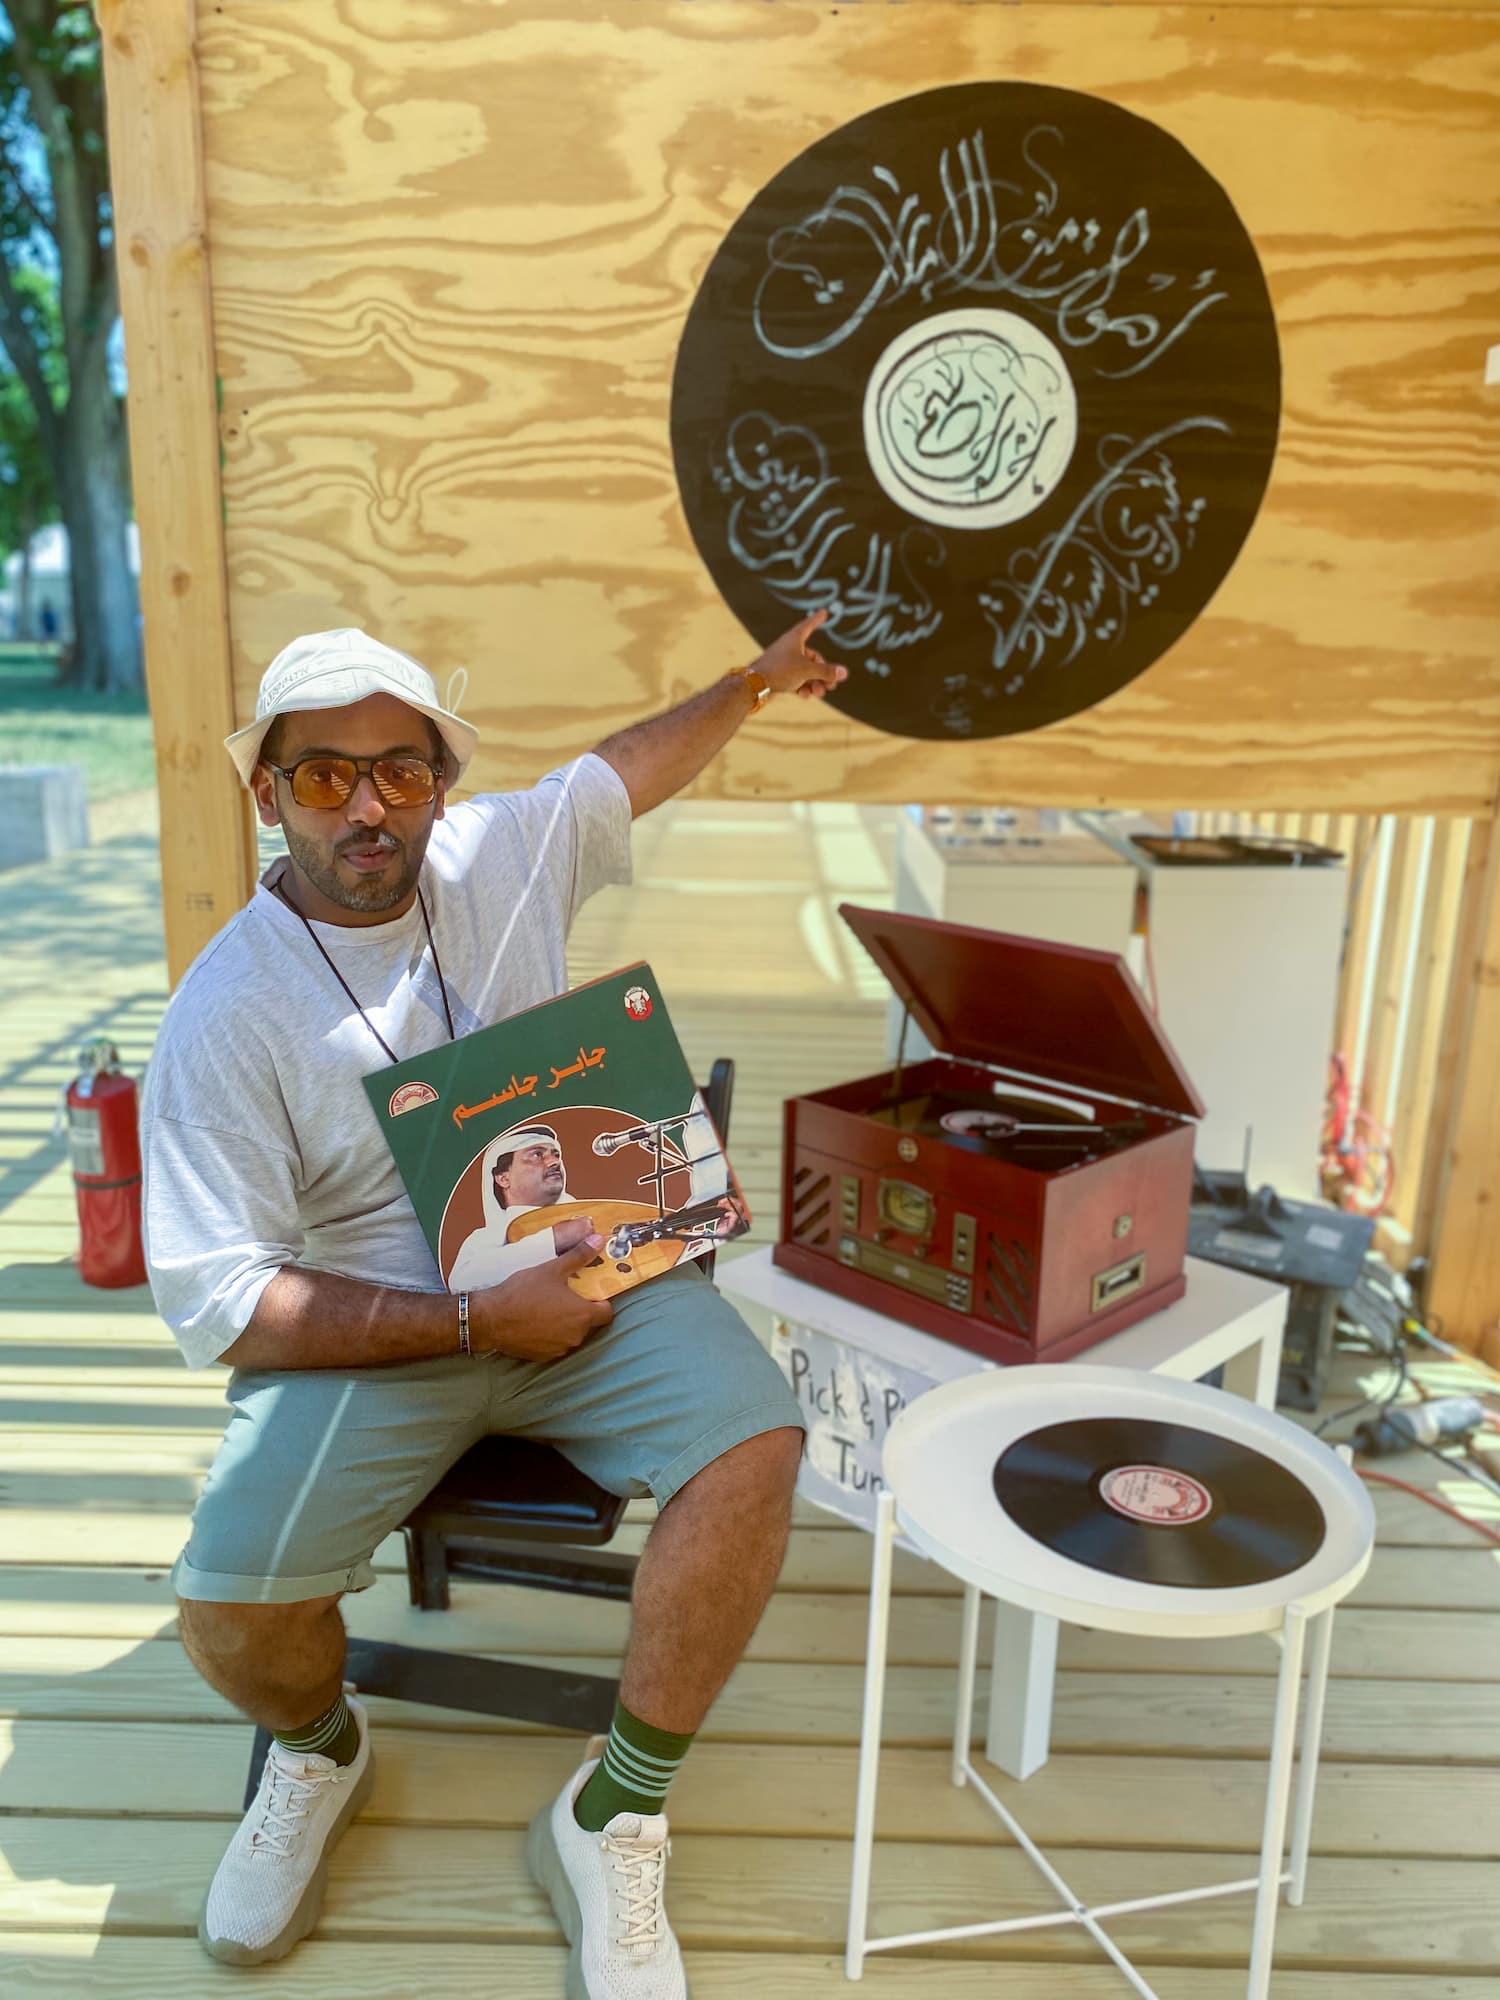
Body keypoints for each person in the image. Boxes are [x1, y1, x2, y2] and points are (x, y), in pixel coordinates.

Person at [139, 614, 846, 1996]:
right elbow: (222, 1296)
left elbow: (626, 767)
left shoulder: (499, 854)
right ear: (267, 792)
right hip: (381, 1321)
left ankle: (614, 1808)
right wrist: (473, 1322)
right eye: (324, 773)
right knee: (225, 1606)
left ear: (442, 785)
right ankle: (319, 1752)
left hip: (588, 1278)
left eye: (399, 770)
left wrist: (756, 684)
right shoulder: (226, 1011)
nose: (366, 805)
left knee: (758, 1443)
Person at [446, 1123, 596, 1291]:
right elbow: (462, 1284)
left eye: (556, 1155)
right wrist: (554, 1239)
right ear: (503, 1179)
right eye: (537, 1155)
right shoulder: (485, 1238)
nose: (554, 1162)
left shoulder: (593, 1217)